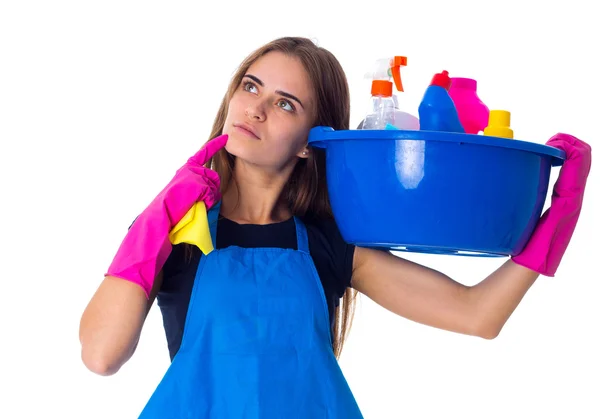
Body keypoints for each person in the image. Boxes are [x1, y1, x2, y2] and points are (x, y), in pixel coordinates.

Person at [79, 36, 592, 418]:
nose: (254, 108)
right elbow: (101, 356)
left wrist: (555, 221)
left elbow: (477, 315)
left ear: (309, 142)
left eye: (285, 103)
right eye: (250, 85)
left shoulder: (329, 241)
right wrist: (159, 216)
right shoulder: (175, 230)